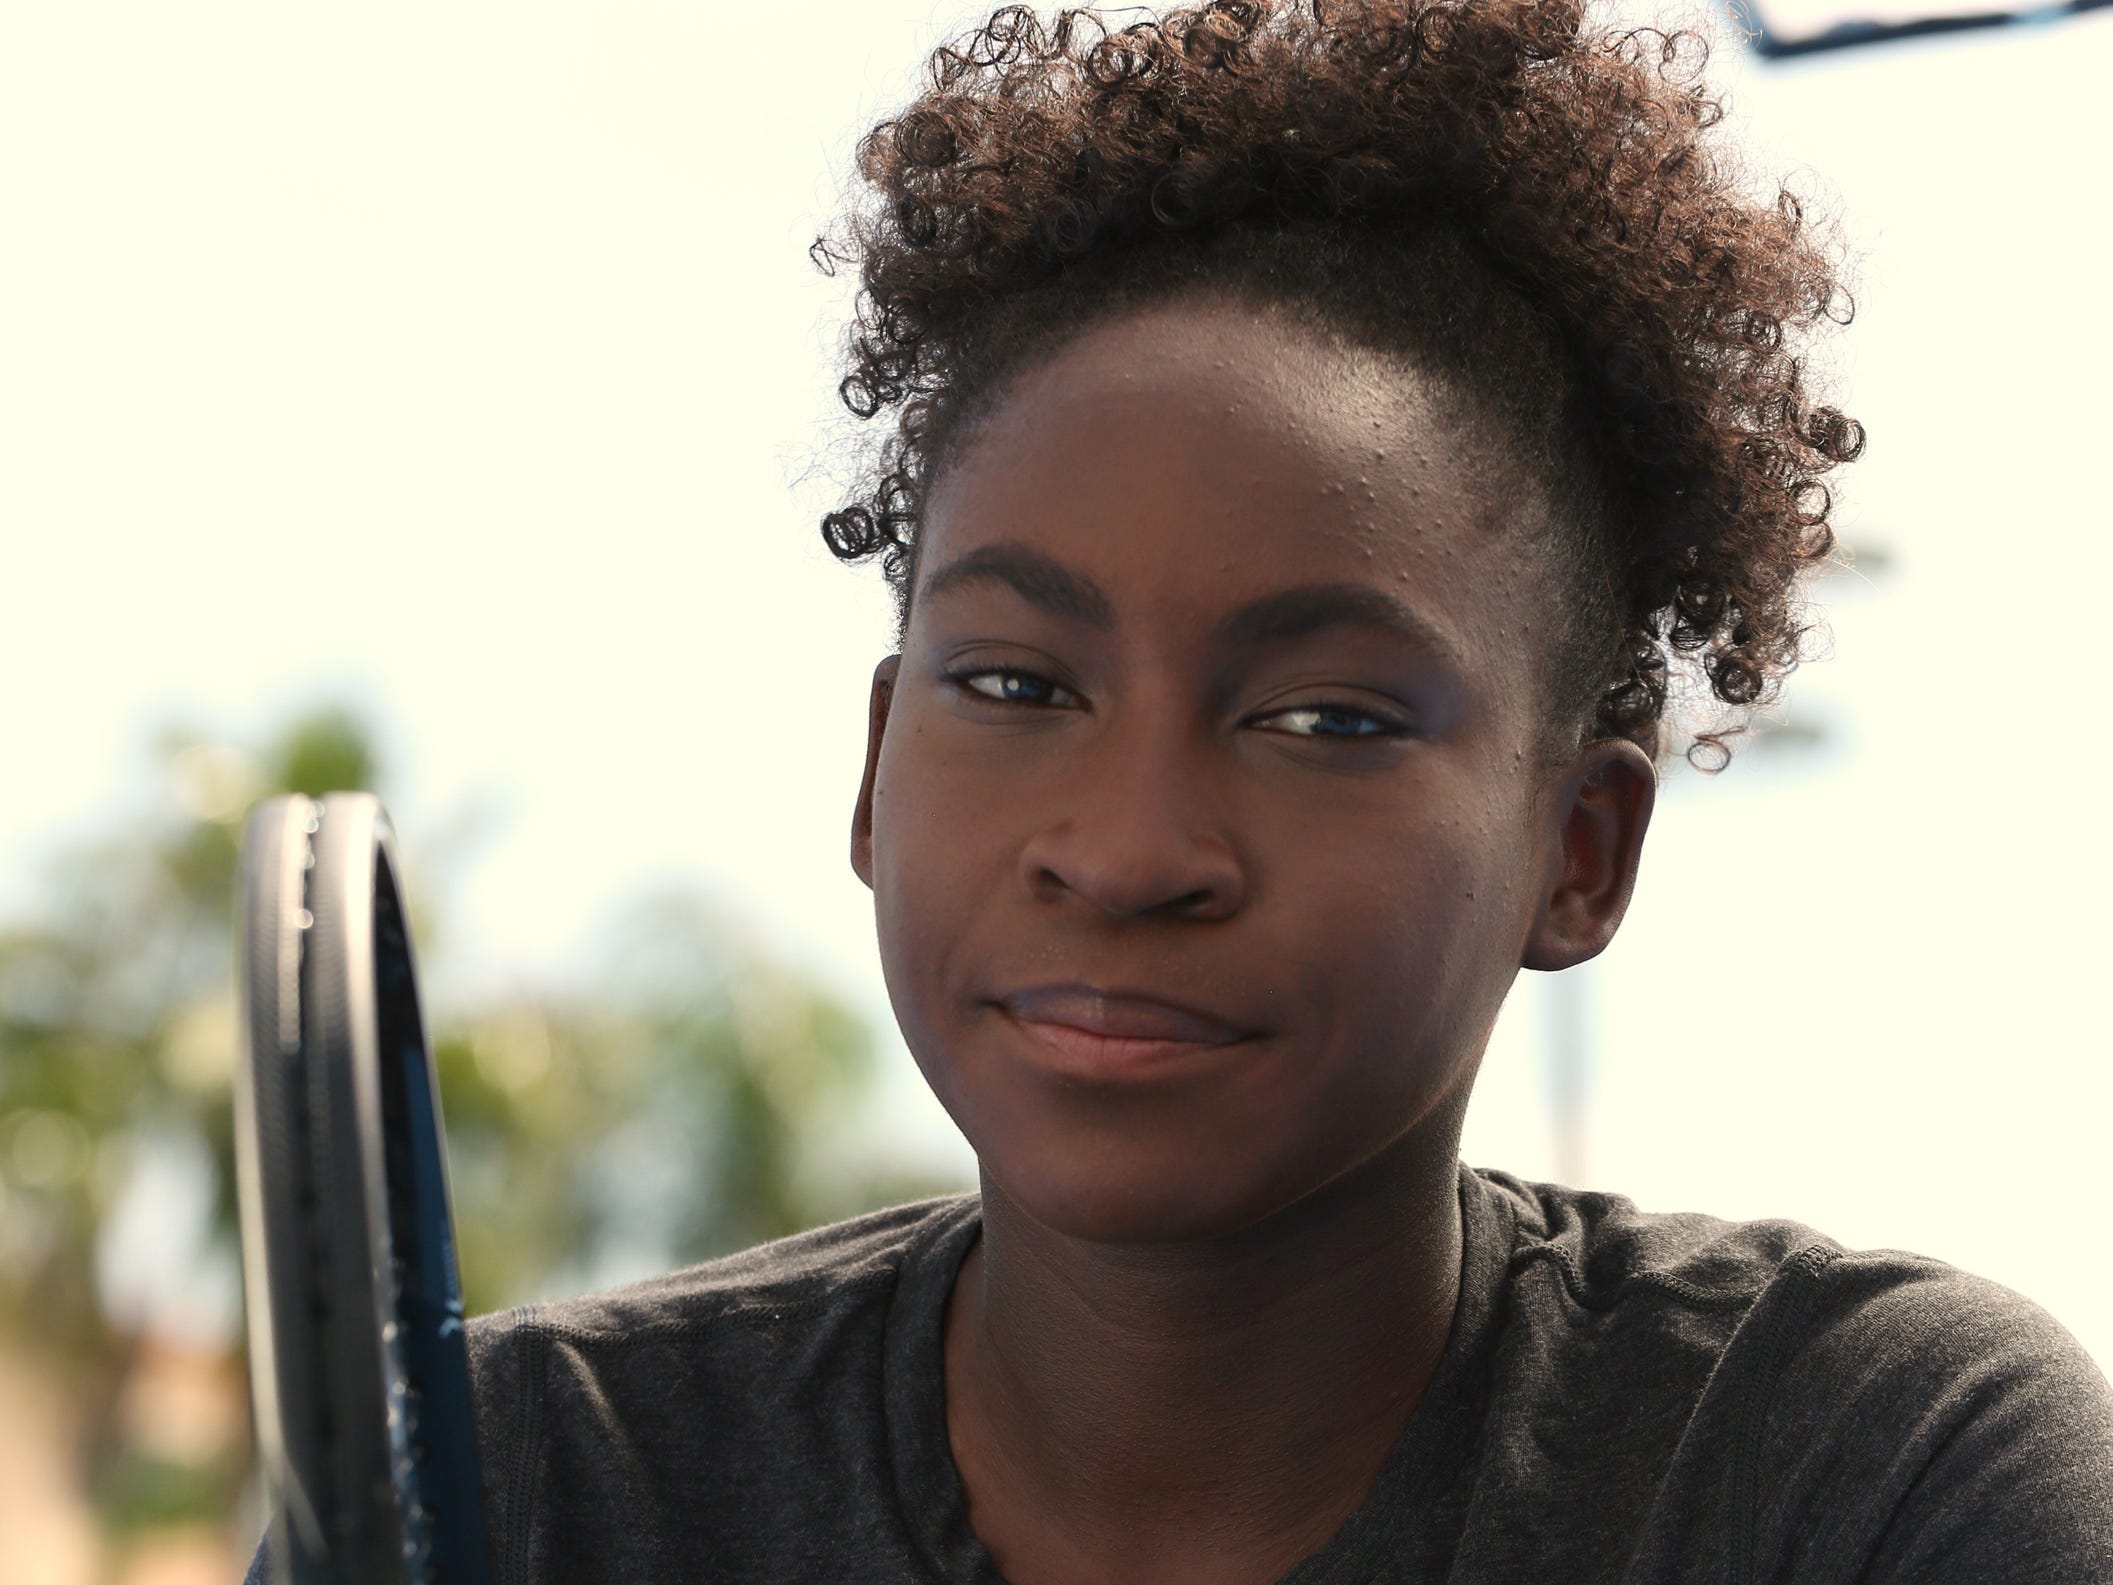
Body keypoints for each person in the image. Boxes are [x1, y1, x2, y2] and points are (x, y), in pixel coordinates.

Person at [242, 1, 2112, 1580]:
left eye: (1325, 720)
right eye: (1013, 684)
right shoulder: (534, 1492)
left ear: (1577, 851)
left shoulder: (1866, 1473)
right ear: (879, 769)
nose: (1129, 851)